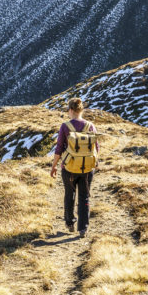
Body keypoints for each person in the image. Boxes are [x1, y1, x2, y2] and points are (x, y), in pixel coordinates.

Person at [50, 97, 98, 237]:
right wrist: (94, 164)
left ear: (71, 110)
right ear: (81, 110)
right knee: (84, 197)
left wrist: (53, 166)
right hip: (87, 169)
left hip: (69, 168)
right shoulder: (90, 126)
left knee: (69, 194)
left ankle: (70, 222)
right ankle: (83, 228)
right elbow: (96, 148)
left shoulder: (65, 126)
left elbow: (59, 149)